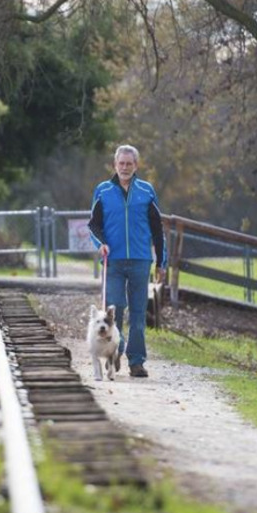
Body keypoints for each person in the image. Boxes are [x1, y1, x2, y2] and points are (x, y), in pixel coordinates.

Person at [88, 144, 166, 378]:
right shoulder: (103, 190)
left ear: (136, 166)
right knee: (115, 309)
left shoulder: (146, 191)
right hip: (113, 261)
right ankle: (115, 353)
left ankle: (137, 362)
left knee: (139, 312)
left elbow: (157, 229)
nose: (124, 167)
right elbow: (93, 225)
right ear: (115, 165)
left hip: (141, 260)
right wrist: (100, 243)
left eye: (129, 164)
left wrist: (161, 262)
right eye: (121, 163)